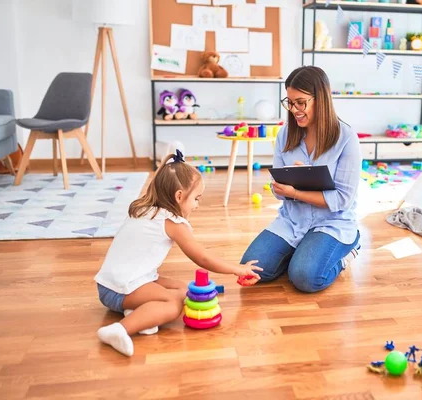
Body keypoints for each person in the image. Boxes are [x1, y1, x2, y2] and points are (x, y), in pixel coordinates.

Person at [94, 151, 262, 357]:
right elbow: (202, 258)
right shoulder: (172, 223)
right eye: (197, 199)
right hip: (119, 289)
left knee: (184, 290)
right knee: (174, 304)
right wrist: (238, 269)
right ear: (179, 196)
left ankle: (143, 315)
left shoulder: (146, 209)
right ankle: (120, 330)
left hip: (112, 283)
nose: (197, 205)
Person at [241, 66, 361, 293]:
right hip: (293, 221)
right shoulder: (285, 134)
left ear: (321, 99)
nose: (294, 109)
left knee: (305, 279)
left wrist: (296, 191)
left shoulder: (346, 138)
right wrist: (283, 186)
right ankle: (303, 254)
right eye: (290, 102)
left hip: (332, 224)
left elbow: (343, 199)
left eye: (301, 102)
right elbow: (278, 191)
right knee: (252, 269)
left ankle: (348, 251)